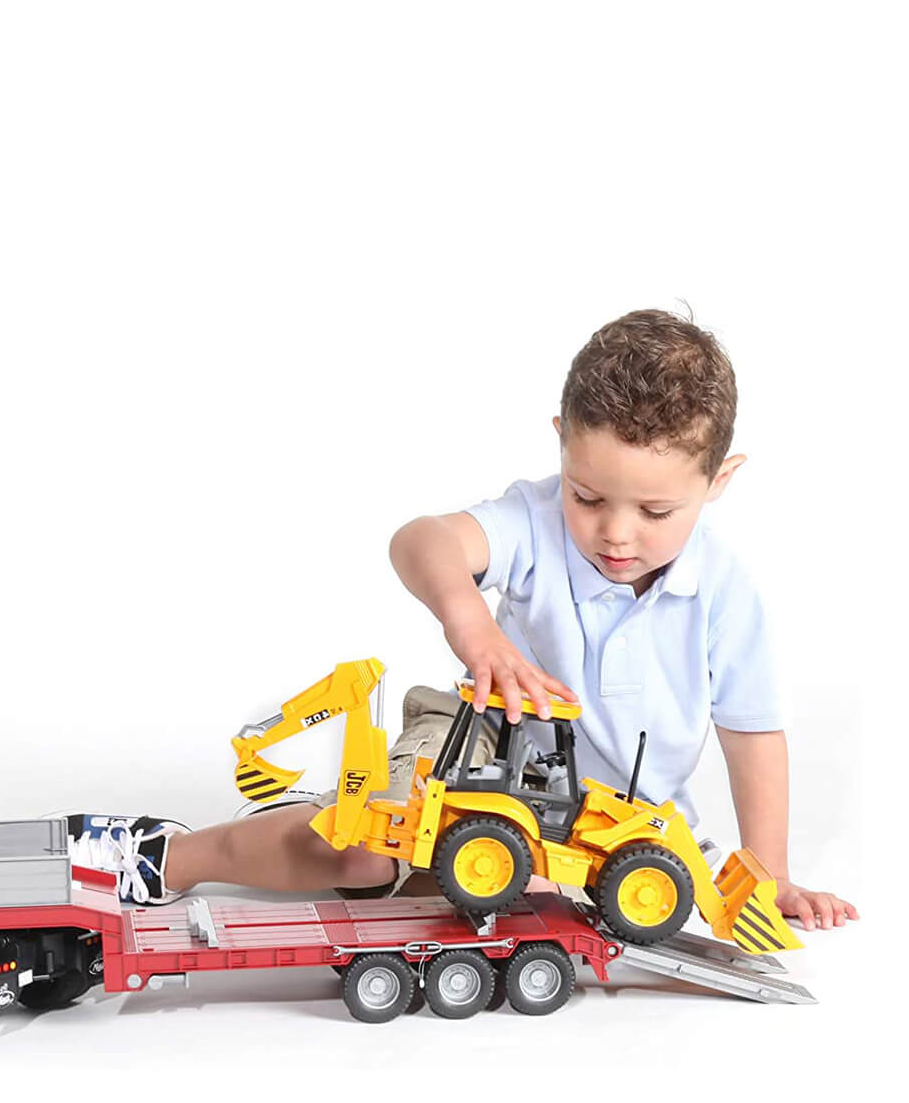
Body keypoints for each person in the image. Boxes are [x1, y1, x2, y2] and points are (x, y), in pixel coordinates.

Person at [69, 308, 857, 933]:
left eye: (655, 509)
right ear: (561, 447)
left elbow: (753, 735)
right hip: (485, 755)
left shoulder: (726, 595)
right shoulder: (534, 523)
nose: (617, 533)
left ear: (719, 480)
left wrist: (770, 870)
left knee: (543, 899)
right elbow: (422, 541)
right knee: (357, 851)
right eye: (589, 496)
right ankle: (170, 855)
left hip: (608, 831)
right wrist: (472, 625)